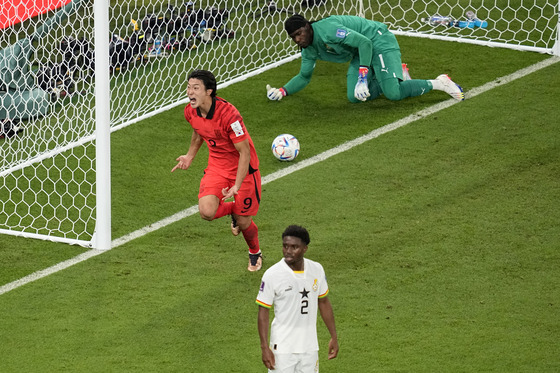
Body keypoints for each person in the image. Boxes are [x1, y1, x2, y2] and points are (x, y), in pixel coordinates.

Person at [172, 69, 263, 272]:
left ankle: (254, 252)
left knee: (245, 221)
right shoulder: (190, 111)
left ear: (209, 91)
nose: (190, 92)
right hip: (217, 167)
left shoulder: (230, 116)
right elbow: (199, 131)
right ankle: (234, 210)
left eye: (196, 88)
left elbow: (244, 153)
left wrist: (237, 186)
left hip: (244, 169)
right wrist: (189, 156)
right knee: (206, 212)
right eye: (188, 87)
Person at [266, 14, 465, 104]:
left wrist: (362, 78)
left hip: (377, 41)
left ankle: (440, 83)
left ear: (308, 27)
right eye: (294, 37)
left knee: (393, 94)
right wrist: (282, 91)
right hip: (360, 53)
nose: (298, 39)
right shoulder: (308, 49)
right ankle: (394, 74)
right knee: (354, 97)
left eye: (300, 33)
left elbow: (365, 43)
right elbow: (304, 76)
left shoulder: (328, 30)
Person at [256, 225, 338, 372]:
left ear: (305, 248)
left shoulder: (316, 269)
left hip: (309, 348)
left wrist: (333, 336)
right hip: (282, 350)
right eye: (285, 246)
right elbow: (263, 311)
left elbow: (324, 302)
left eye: (294, 247)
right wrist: (264, 347)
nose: (288, 251)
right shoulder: (272, 275)